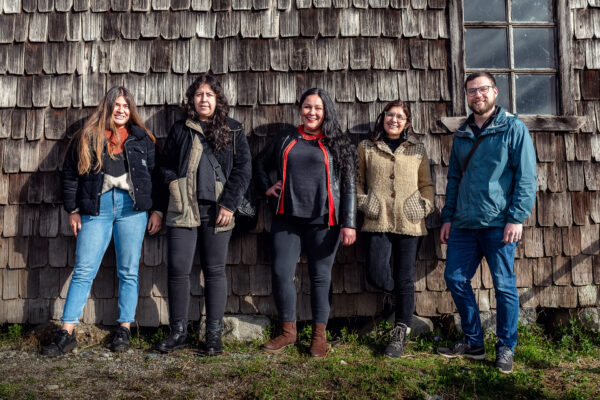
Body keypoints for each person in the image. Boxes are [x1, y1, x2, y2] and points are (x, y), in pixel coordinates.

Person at [41, 87, 162, 356]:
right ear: (107, 107)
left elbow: (157, 177)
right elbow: (71, 173)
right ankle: (67, 332)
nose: (121, 109)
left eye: (126, 106)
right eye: (116, 104)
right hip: (97, 208)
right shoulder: (88, 136)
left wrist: (158, 211)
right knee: (84, 269)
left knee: (128, 270)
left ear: (131, 111)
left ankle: (124, 329)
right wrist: (72, 210)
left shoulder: (143, 139)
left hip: (133, 209)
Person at [437, 72, 537, 374]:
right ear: (467, 97)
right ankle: (473, 342)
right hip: (465, 224)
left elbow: (527, 178)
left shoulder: (513, 129)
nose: (477, 95)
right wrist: (448, 217)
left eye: (482, 89)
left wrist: (516, 217)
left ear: (494, 92)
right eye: (471, 91)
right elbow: (454, 179)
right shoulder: (462, 134)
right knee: (455, 278)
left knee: (504, 286)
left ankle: (505, 346)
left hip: (499, 223)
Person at [255, 88, 357, 358]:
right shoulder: (287, 138)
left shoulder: (338, 142)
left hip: (325, 221)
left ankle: (319, 336)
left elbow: (349, 186)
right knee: (280, 273)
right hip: (287, 218)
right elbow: (260, 163)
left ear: (326, 113)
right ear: (300, 109)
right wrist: (267, 186)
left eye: (318, 108)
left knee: (320, 278)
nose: (312, 112)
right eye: (307, 107)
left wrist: (349, 223)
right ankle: (288, 332)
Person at [155, 73, 251, 356]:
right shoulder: (179, 130)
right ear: (192, 100)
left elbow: (243, 170)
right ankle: (178, 332)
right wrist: (171, 190)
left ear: (218, 99)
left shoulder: (233, 130)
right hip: (182, 209)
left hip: (218, 211)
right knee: (178, 270)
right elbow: (163, 166)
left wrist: (229, 204)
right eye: (199, 95)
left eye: (209, 95)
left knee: (215, 271)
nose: (204, 99)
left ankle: (212, 336)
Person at [356, 101, 434, 358]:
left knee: (405, 277)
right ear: (383, 118)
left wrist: (423, 206)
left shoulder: (417, 149)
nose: (394, 119)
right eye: (390, 114)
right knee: (376, 274)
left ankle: (400, 333)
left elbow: (426, 185)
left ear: (407, 123)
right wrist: (365, 203)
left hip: (409, 222)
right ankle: (400, 299)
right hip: (377, 219)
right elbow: (358, 182)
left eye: (400, 116)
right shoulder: (366, 147)